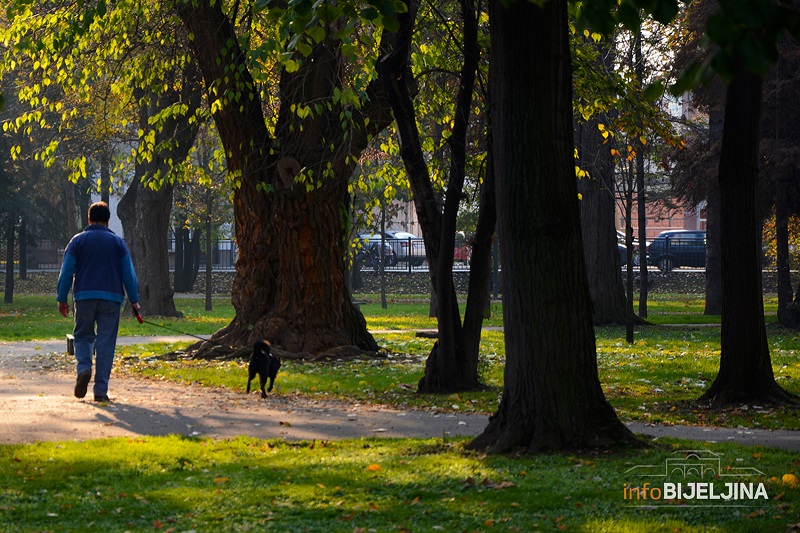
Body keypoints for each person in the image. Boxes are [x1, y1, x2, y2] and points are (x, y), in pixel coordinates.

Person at [57, 201, 140, 402]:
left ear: (89, 219)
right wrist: (134, 301)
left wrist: (62, 298)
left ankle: (84, 368)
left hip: (84, 296)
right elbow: (128, 273)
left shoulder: (77, 241)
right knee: (105, 343)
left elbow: (67, 270)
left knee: (83, 336)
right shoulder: (118, 243)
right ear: (108, 220)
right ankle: (101, 391)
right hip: (112, 299)